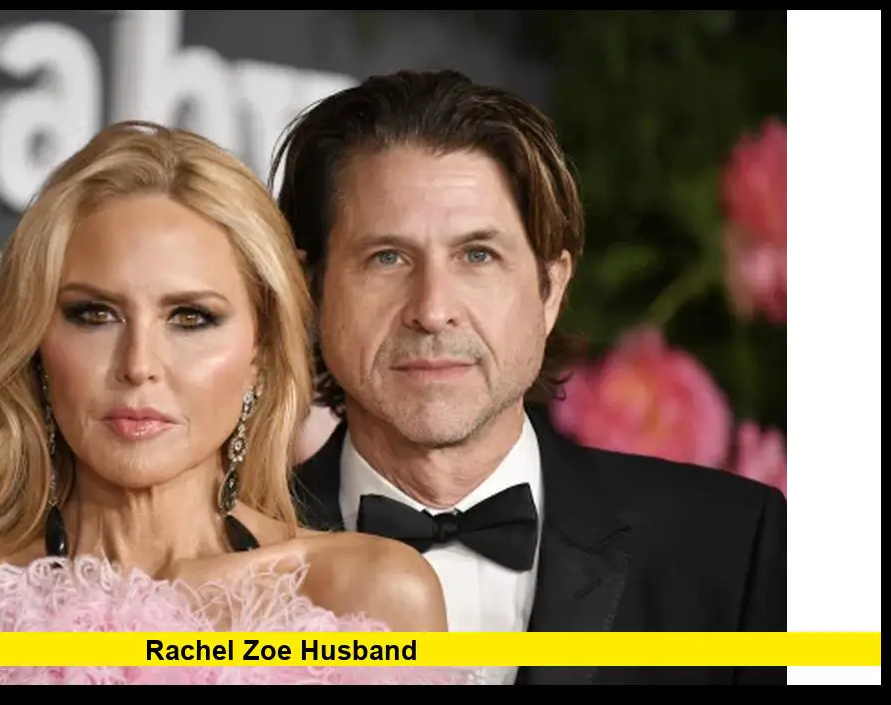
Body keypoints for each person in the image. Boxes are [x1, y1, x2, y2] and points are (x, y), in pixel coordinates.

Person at [0, 121, 472, 687]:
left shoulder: (366, 599)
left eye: (191, 318)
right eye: (95, 314)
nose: (139, 364)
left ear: (259, 351)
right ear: (36, 345)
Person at [272, 70, 787, 686]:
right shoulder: (223, 559)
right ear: (310, 289)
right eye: (388, 257)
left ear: (551, 290)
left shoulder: (734, 544)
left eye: (478, 256)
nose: (433, 308)